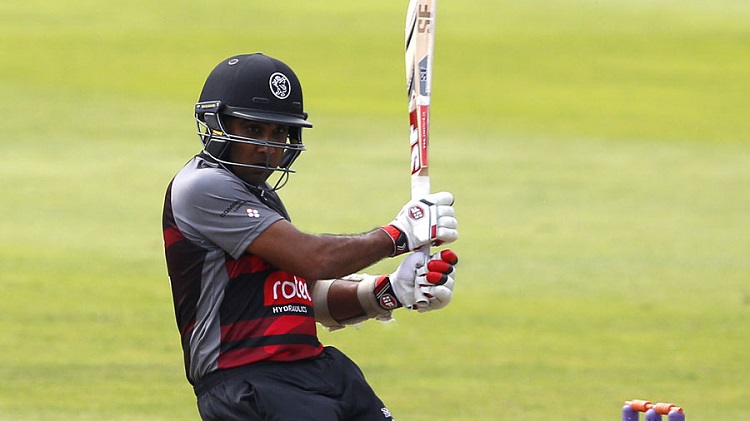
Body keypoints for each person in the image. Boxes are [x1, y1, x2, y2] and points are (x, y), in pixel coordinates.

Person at [162, 53, 459, 421]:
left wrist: (389, 291)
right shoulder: (201, 187)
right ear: (217, 124)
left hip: (316, 369)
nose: (268, 147)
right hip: (249, 380)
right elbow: (313, 259)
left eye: (279, 133)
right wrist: (399, 235)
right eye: (253, 130)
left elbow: (302, 297)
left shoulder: (263, 198)